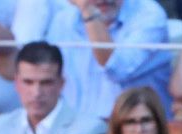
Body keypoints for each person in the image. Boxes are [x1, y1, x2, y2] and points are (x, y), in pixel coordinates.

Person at [38, 0, 171, 123]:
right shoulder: (63, 19)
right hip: (75, 131)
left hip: (132, 132)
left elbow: (116, 67)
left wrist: (89, 13)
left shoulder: (149, 15)